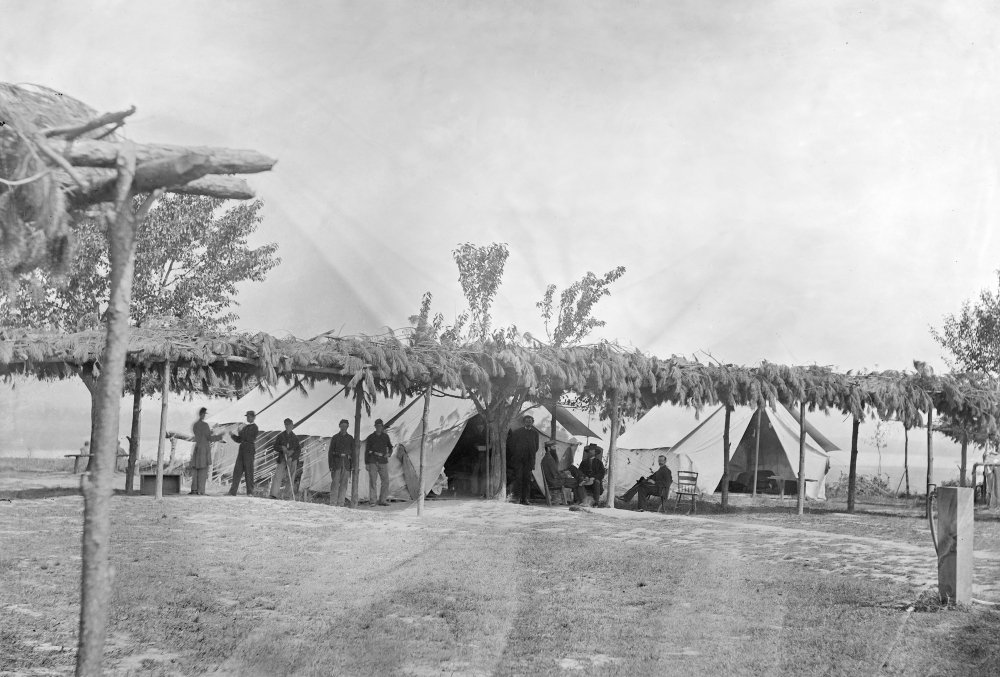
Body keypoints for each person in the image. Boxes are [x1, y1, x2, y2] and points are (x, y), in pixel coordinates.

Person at [507, 414, 540, 505]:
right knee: (518, 478)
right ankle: (517, 498)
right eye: (526, 421)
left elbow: (536, 447)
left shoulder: (535, 433)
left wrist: (530, 454)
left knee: (527, 479)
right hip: (519, 460)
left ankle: (525, 499)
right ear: (524, 422)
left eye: (530, 421)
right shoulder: (517, 432)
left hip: (529, 460)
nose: (528, 423)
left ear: (532, 423)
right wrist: (517, 453)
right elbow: (511, 445)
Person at [190, 407, 223, 495]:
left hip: (197, 448)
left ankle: (194, 490)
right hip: (204, 449)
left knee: (196, 470)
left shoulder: (195, 425)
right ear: (202, 414)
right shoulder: (205, 425)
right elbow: (209, 438)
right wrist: (219, 436)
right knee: (203, 471)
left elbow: (199, 435)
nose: (205, 416)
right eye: (204, 414)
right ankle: (201, 491)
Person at [228, 410, 260, 496]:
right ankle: (232, 491)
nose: (248, 418)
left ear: (254, 417)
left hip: (249, 449)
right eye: (247, 416)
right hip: (242, 449)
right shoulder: (245, 427)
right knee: (237, 470)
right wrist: (232, 435)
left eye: (249, 416)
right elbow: (239, 439)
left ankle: (250, 492)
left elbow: (248, 438)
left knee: (249, 471)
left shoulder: (255, 427)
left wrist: (240, 431)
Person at [269, 418, 301, 500]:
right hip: (282, 458)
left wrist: (292, 457)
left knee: (291, 476)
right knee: (278, 475)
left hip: (292, 459)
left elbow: (298, 450)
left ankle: (287, 495)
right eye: (286, 424)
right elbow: (275, 447)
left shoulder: (295, 438)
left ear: (292, 425)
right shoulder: (280, 436)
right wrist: (281, 448)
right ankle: (273, 494)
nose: (288, 426)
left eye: (289, 425)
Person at [364, 418, 393, 506]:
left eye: (380, 426)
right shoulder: (370, 437)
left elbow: (390, 447)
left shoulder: (385, 436)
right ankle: (373, 501)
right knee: (373, 481)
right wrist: (367, 463)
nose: (379, 427)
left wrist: (389, 454)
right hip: (372, 461)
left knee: (386, 481)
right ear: (375, 427)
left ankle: (382, 500)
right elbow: (367, 451)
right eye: (377, 426)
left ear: (382, 426)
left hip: (383, 461)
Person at [328, 418, 354, 506]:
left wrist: (352, 465)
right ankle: (333, 502)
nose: (344, 428)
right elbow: (330, 452)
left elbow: (353, 452)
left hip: (346, 464)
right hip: (336, 464)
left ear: (348, 427)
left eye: (345, 426)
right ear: (339, 426)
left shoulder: (350, 438)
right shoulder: (335, 437)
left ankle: (341, 503)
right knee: (335, 483)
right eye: (342, 426)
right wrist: (330, 465)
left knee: (344, 484)